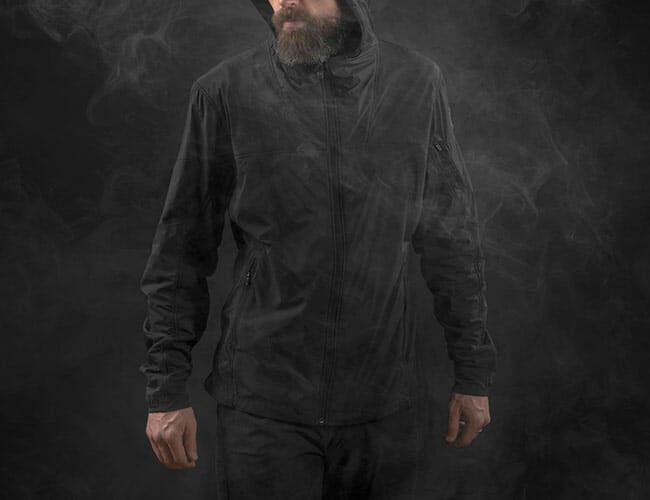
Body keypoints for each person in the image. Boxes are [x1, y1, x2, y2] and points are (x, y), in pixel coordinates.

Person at [139, 0, 498, 497]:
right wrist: (165, 390)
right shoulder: (224, 90)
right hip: (262, 406)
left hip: (382, 404)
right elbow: (181, 251)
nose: (285, 0)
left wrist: (473, 373)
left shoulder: (416, 83)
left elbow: (452, 240)